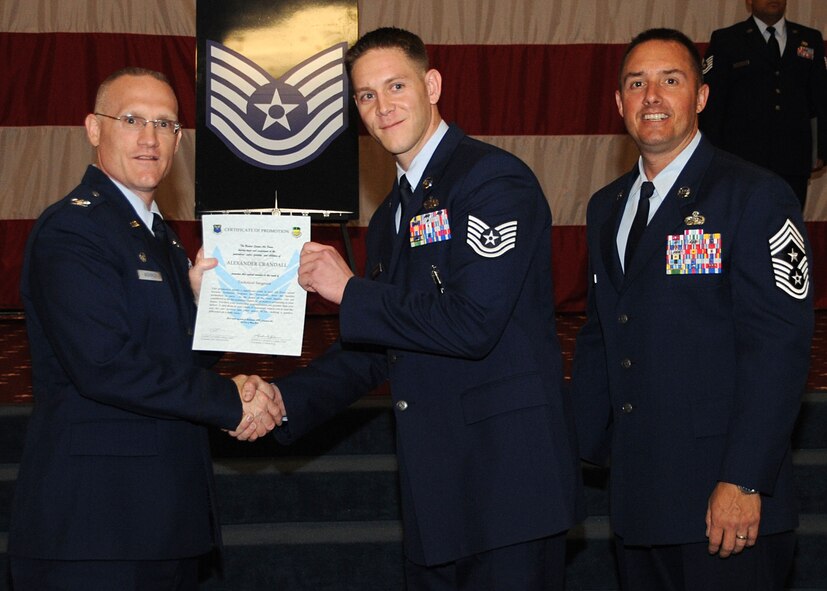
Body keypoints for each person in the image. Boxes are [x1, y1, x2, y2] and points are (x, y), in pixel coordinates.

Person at [248, 26, 581, 590]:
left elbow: (472, 322)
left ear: (432, 86)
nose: (383, 107)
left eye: (396, 85)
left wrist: (351, 290)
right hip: (436, 495)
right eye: (366, 95)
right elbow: (380, 347)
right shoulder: (389, 217)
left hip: (509, 489)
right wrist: (285, 401)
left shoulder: (492, 180)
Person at [8, 67, 284, 590]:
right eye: (132, 120)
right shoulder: (74, 229)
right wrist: (230, 401)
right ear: (94, 129)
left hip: (162, 521)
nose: (150, 138)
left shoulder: (160, 236)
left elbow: (171, 357)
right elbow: (106, 366)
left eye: (165, 124)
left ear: (178, 140)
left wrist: (209, 310)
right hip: (96, 528)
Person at [571, 28, 814, 591]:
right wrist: (579, 449)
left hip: (725, 506)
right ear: (619, 103)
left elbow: (778, 349)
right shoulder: (606, 207)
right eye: (637, 84)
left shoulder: (754, 195)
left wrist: (744, 480)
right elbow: (603, 333)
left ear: (701, 96)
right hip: (639, 503)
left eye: (671, 80)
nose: (652, 96)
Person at [700, 0, 827, 209]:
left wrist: (820, 149)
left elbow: (820, 99)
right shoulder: (727, 39)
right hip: (741, 158)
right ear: (749, 1)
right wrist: (712, 152)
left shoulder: (809, 38)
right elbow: (712, 103)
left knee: (788, 221)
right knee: (743, 220)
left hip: (793, 157)